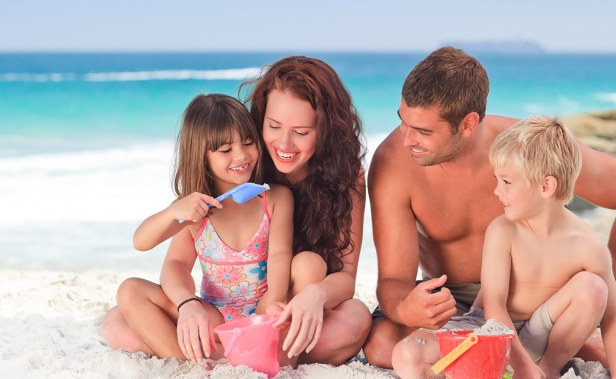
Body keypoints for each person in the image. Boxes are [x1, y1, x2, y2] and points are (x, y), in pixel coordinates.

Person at [364, 46, 616, 369]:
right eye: (403, 122)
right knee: (382, 345)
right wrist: (406, 307)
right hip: (456, 302)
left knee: (594, 303)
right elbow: (392, 281)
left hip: (535, 294)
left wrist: (611, 276)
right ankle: (545, 351)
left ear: (468, 124)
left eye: (423, 131)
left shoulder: (525, 149)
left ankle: (540, 350)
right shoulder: (393, 164)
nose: (406, 140)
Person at [391, 116, 616, 378]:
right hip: (489, 330)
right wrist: (521, 365)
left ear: (546, 186)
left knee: (593, 287)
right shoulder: (503, 230)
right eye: (497, 180)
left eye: (507, 182)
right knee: (406, 354)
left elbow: (611, 318)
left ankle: (546, 370)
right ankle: (502, 370)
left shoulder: (588, 246)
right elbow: (494, 307)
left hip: (538, 336)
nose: (497, 191)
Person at [100, 94, 293, 363]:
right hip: (212, 317)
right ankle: (197, 362)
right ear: (201, 155)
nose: (241, 155)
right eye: (225, 150)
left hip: (262, 313)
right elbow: (156, 251)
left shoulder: (274, 198)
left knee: (122, 325)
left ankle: (211, 355)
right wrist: (187, 304)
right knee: (129, 292)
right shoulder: (193, 210)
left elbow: (280, 255)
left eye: (248, 143)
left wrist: (273, 301)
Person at [241, 55, 372, 365]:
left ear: (326, 131)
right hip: (247, 302)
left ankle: (269, 355)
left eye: (301, 132)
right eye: (273, 126)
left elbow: (346, 277)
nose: (284, 144)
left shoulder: (347, 176)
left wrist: (316, 295)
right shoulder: (245, 162)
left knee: (356, 317)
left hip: (301, 305)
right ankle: (270, 353)